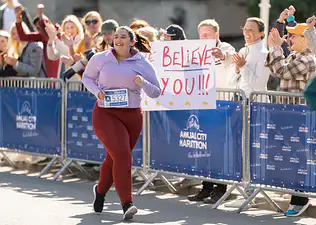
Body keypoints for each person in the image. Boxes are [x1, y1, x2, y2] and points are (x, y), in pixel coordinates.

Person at [82, 26, 161, 220]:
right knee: (123, 156)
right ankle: (127, 204)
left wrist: (142, 82)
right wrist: (96, 91)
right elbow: (87, 77)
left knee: (114, 158)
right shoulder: (100, 58)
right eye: (116, 36)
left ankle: (100, 191)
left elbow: (156, 91)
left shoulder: (141, 62)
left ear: (132, 42)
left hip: (132, 116)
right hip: (105, 113)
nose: (118, 39)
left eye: (123, 37)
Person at [266, 23, 316, 216]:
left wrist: (277, 48)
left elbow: (282, 72)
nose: (290, 38)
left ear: (305, 39)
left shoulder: (308, 59)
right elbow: (273, 69)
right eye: (289, 36)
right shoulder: (296, 56)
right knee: (292, 157)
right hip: (290, 115)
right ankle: (295, 194)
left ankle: (300, 199)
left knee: (299, 157)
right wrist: (276, 49)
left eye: (294, 36)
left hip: (300, 116)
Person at [187, 19, 235, 204]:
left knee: (218, 149)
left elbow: (231, 58)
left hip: (222, 106)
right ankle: (206, 187)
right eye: (201, 35)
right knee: (204, 148)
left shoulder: (226, 48)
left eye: (207, 34)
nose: (203, 38)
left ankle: (220, 188)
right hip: (203, 105)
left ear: (216, 34)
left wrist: (221, 55)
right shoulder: (196, 51)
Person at [228, 17, 270, 99]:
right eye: (245, 29)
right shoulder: (242, 51)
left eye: (251, 30)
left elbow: (259, 86)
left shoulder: (264, 54)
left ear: (261, 33)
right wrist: (237, 70)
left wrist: (243, 67)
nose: (246, 32)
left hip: (256, 105)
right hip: (238, 101)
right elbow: (230, 82)